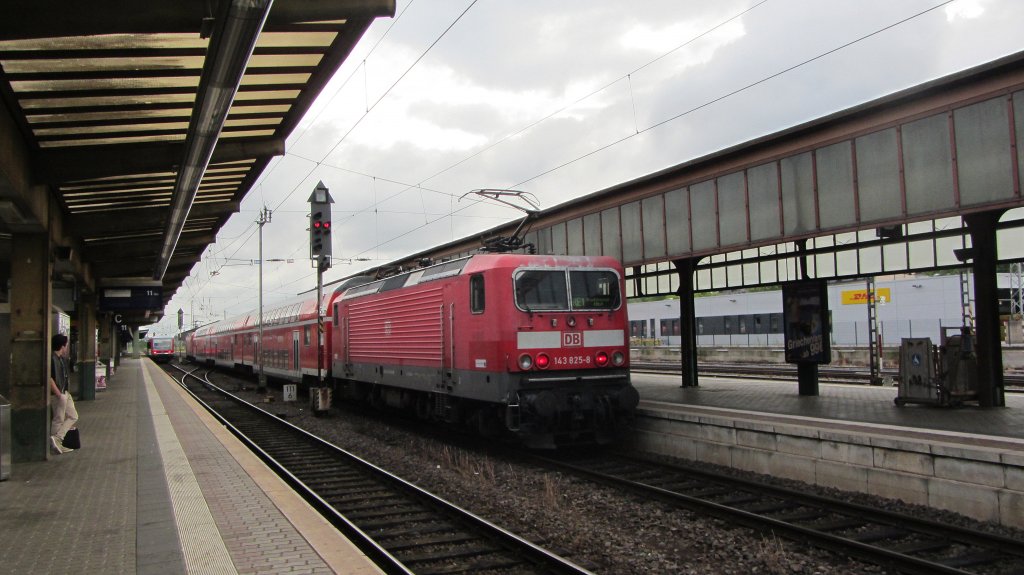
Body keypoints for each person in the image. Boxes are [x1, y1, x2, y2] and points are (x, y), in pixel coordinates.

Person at [49, 333, 78, 454]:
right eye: (66, 345)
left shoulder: (61, 359)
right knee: (58, 419)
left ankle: (57, 439)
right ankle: (56, 445)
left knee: (73, 416)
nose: (67, 347)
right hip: (59, 394)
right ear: (62, 346)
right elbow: (49, 378)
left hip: (65, 392)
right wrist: (58, 394)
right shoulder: (52, 359)